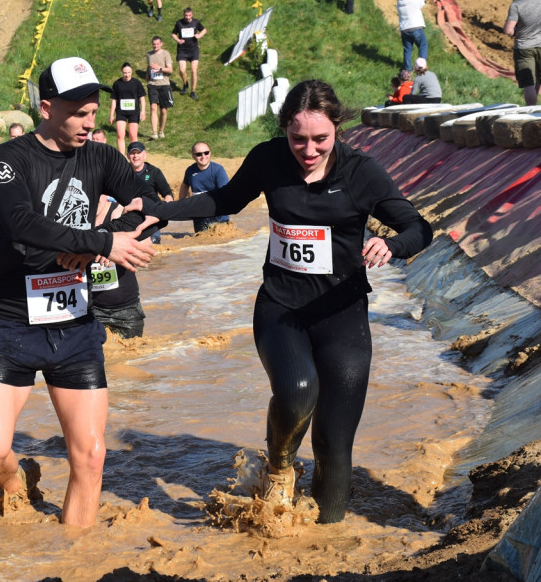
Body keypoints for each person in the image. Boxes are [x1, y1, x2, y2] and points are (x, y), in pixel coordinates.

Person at [144, 79, 432, 524]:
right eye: (299, 139)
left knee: (335, 446)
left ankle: (325, 540)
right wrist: (158, 211)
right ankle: (278, 468)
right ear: (284, 130)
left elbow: (417, 226)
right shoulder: (268, 159)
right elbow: (225, 200)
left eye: (321, 139)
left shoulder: (361, 172)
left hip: (343, 314)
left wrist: (393, 246)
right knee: (298, 393)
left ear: (337, 128)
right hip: (281, 307)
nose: (309, 149)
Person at [0, 56, 156, 528]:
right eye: (78, 112)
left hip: (75, 326)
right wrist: (99, 242)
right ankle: (19, 484)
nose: (89, 122)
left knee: (91, 457)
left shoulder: (101, 156)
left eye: (94, 112)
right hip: (12, 320)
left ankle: (75, 561)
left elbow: (146, 205)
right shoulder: (9, 157)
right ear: (47, 107)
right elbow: (19, 223)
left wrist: (105, 238)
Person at [91, 197, 148, 338]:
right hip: (91, 310)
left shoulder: (120, 211)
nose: (95, 198)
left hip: (126, 310)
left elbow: (147, 246)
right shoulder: (75, 216)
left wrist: (116, 241)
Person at [504, 0, 541, 105]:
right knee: (538, 80)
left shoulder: (517, 5)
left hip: (524, 48)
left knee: (528, 83)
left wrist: (513, 31)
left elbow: (508, 31)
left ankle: (530, 111)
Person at [178, 141, 230, 233]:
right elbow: (185, 186)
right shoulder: (190, 171)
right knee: (201, 243)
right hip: (199, 216)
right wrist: (181, 204)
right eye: (199, 154)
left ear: (210, 153)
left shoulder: (218, 170)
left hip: (219, 216)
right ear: (193, 156)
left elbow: (226, 194)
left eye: (206, 153)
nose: (203, 157)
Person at [128, 141, 173, 244]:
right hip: (129, 215)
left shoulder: (154, 172)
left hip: (150, 215)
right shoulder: (123, 172)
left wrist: (162, 212)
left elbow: (168, 195)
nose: (135, 156)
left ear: (144, 155)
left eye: (138, 153)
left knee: (153, 242)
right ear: (128, 155)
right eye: (132, 153)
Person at [109, 62, 147, 154]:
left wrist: (143, 111)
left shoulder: (136, 83)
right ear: (122, 72)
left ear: (132, 71)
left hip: (134, 112)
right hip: (121, 112)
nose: (127, 75)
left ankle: (135, 155)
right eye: (125, 73)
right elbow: (114, 100)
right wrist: (111, 115)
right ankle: (122, 158)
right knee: (120, 135)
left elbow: (142, 98)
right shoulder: (117, 84)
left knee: (133, 136)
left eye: (129, 72)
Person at [172, 7, 207, 100]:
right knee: (182, 70)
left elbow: (204, 30)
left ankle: (193, 91)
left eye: (189, 15)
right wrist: (178, 40)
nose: (188, 17)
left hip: (193, 50)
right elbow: (173, 34)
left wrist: (199, 35)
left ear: (192, 15)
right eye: (186, 15)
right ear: (183, 15)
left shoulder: (196, 22)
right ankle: (185, 84)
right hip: (182, 50)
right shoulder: (179, 23)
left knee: (193, 70)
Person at [145, 36, 174, 140]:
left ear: (161, 43)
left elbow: (170, 70)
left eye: (157, 44)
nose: (155, 46)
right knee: (153, 107)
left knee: (163, 110)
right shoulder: (149, 54)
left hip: (164, 84)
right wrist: (147, 74)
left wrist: (159, 68)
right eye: (154, 44)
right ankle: (154, 132)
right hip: (152, 84)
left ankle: (161, 130)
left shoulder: (165, 54)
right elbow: (149, 66)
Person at [396, 0, 428, 71]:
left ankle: (407, 69)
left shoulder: (399, 3)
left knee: (407, 49)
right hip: (416, 28)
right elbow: (424, 1)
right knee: (422, 46)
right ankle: (421, 68)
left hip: (405, 30)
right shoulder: (415, 1)